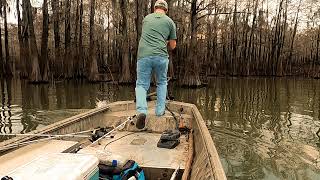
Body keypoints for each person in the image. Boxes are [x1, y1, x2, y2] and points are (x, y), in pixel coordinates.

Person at [135, 0, 177, 129]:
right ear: (166, 10)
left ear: (154, 8)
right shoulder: (170, 22)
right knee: (162, 82)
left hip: (144, 55)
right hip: (161, 56)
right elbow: (173, 45)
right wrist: (165, 42)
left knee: (142, 84)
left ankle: (142, 111)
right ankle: (159, 111)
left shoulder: (146, 19)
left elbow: (150, 35)